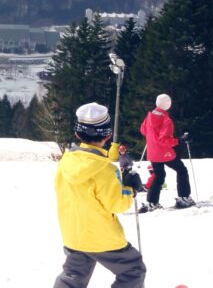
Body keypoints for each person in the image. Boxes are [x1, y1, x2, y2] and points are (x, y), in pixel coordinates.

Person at [53, 102, 145, 288]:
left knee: (73, 276)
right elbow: (117, 204)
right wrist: (130, 189)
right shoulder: (104, 169)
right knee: (132, 269)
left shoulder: (65, 163)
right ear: (107, 135)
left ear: (78, 134)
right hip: (102, 237)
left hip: (74, 234)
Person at [139, 94, 194, 212]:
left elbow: (143, 130)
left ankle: (152, 202)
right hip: (164, 153)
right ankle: (183, 197)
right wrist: (179, 140)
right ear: (168, 105)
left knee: (159, 176)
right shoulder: (166, 119)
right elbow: (164, 140)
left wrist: (152, 137)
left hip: (153, 152)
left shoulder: (150, 115)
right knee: (181, 170)